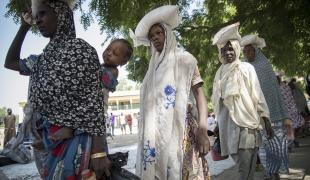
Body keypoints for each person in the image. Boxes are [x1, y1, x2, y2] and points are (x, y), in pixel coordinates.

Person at [4, 0, 111, 178]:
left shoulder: (81, 50)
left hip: (80, 142)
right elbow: (10, 62)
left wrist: (98, 152)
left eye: (43, 14)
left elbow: (94, 102)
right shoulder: (40, 61)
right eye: (36, 17)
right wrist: (24, 27)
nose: (38, 21)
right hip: (50, 145)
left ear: (61, 14)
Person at [130, 5, 210, 179]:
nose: (155, 38)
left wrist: (203, 130)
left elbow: (200, 96)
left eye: (159, 33)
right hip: (155, 134)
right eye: (152, 36)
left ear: (168, 33)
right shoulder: (152, 70)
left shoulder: (185, 60)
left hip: (182, 132)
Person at [211, 22, 273, 180]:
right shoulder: (219, 73)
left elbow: (257, 94)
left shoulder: (246, 68)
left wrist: (266, 120)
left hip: (247, 125)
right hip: (227, 126)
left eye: (231, 48)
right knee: (243, 169)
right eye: (224, 50)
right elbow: (218, 102)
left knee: (247, 167)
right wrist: (218, 124)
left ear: (237, 49)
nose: (228, 52)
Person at [241, 34, 290, 178]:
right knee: (263, 147)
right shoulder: (244, 69)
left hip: (274, 114)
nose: (247, 54)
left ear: (256, 50)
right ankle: (270, 173)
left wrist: (284, 114)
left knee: (277, 145)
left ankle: (276, 172)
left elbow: (275, 91)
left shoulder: (265, 66)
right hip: (257, 116)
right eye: (244, 52)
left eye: (249, 51)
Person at [277, 75, 304, 152]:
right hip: (292, 110)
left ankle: (289, 145)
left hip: (286, 112)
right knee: (291, 128)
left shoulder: (279, 89)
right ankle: (290, 144)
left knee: (287, 129)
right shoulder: (286, 87)